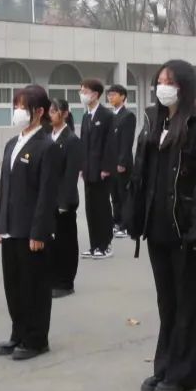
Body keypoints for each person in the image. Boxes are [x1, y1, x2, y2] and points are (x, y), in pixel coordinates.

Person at [126, 60, 196, 391]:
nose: (163, 87)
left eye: (170, 81)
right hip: (157, 228)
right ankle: (164, 366)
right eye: (160, 81)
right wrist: (133, 217)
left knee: (187, 302)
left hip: (186, 231)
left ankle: (184, 373)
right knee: (167, 302)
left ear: (184, 87)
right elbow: (140, 175)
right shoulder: (153, 122)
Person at [0, 85, 61, 360]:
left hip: (32, 230)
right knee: (14, 285)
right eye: (16, 106)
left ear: (39, 111)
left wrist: (39, 232)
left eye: (23, 107)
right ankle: (18, 332)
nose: (18, 112)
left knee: (35, 286)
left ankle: (36, 339)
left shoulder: (47, 147)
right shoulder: (12, 144)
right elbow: (3, 186)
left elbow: (47, 194)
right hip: (10, 227)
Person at [80, 78, 117, 259]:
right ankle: (94, 245)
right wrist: (81, 166)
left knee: (102, 208)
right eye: (81, 91)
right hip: (88, 171)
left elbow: (111, 144)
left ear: (95, 94)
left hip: (102, 171)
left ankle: (105, 245)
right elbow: (83, 144)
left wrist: (106, 168)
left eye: (85, 91)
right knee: (91, 209)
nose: (82, 94)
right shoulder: (86, 116)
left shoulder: (107, 115)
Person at [49, 98, 82, 298]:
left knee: (66, 242)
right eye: (50, 111)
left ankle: (65, 282)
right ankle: (53, 278)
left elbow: (71, 175)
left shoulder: (71, 140)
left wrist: (64, 202)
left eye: (54, 111)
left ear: (64, 114)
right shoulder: (48, 136)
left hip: (63, 201)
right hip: (48, 199)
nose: (51, 115)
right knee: (52, 243)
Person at [107, 84, 137, 239]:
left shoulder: (128, 116)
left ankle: (126, 224)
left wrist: (122, 162)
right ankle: (117, 221)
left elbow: (127, 141)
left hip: (122, 164)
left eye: (113, 94)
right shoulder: (111, 116)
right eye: (109, 95)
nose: (110, 97)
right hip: (111, 163)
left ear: (123, 96)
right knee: (114, 195)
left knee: (124, 195)